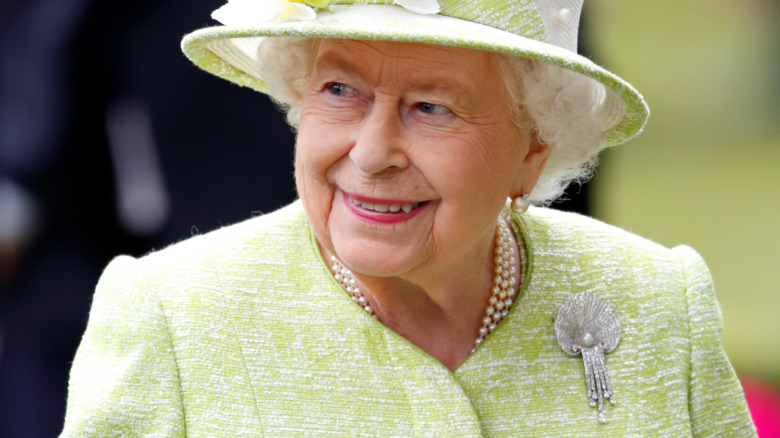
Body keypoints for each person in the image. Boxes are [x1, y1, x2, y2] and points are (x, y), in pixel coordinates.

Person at [60, 0, 757, 436]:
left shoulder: (657, 301)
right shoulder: (171, 317)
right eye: (339, 90)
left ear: (532, 149)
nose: (371, 153)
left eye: (432, 106)